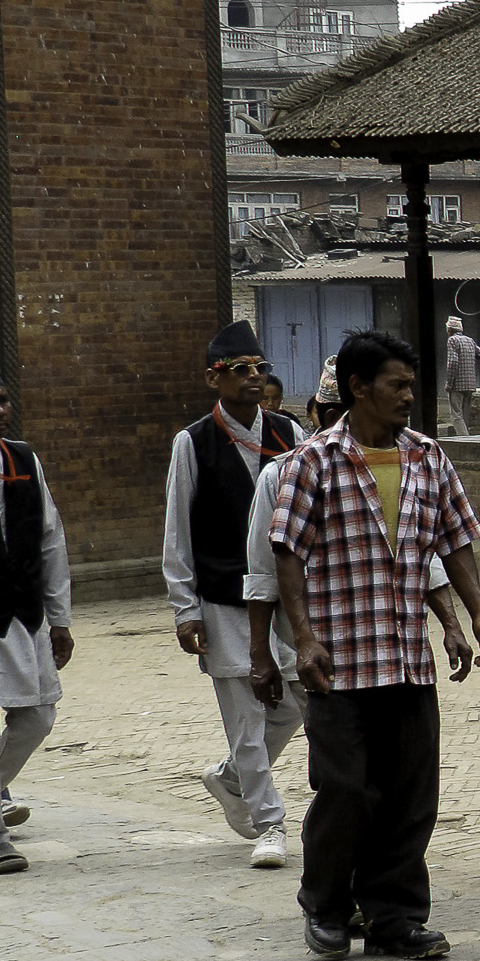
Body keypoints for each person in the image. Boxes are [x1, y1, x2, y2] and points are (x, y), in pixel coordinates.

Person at [271, 330, 480, 961]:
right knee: (346, 790)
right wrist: (303, 637)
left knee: (409, 792)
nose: (408, 396)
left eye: (411, 384)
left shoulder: (428, 458)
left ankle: (394, 914)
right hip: (340, 662)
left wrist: (476, 614)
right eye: (396, 384)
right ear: (357, 388)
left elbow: (455, 541)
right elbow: (286, 552)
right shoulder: (313, 462)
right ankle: (326, 905)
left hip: (405, 657)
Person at [164, 320, 306, 869]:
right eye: (239, 370)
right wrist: (184, 608)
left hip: (282, 594)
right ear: (213, 379)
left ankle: (229, 779)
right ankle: (268, 822)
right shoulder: (193, 442)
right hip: (222, 596)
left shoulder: (289, 435)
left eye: (259, 368)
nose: (253, 378)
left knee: (293, 700)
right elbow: (178, 528)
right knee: (244, 711)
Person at [0, 371, 72, 873]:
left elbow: (50, 538)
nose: (1, 409)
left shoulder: (23, 460)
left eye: (3, 399)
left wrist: (59, 616)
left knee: (39, 715)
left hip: (23, 610)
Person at [442, 316, 480, 438]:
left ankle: (465, 440)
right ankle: (467, 436)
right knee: (465, 415)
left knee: (456, 415)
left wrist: (449, 383)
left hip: (457, 385)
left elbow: (453, 362)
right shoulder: (470, 340)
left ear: (450, 329)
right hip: (470, 384)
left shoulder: (452, 340)